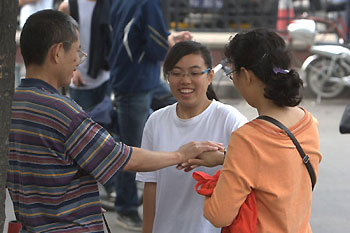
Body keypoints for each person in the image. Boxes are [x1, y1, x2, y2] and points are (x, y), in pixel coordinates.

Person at [6, 10, 222, 233]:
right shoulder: (62, 111)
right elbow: (121, 157)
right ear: (58, 52)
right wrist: (180, 155)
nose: (78, 61)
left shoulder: (13, 104)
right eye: (77, 51)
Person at [188, 29, 323, 233]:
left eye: (233, 74)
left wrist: (214, 186)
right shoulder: (309, 122)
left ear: (248, 76)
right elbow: (279, 168)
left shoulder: (247, 139)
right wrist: (227, 157)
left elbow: (218, 214)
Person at [136, 40, 247, 233]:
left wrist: (222, 158)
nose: (185, 81)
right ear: (167, 76)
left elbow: (255, 167)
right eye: (177, 73)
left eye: (195, 73)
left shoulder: (230, 120)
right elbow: (151, 185)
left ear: (210, 76)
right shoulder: (156, 121)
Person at [108, 0, 192, 230]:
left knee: (183, 108)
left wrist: (169, 38)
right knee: (133, 149)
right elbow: (157, 48)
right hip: (136, 81)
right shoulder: (149, 4)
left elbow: (139, 36)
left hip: (137, 77)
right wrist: (171, 44)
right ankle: (126, 208)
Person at [58, 0, 111, 111]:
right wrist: (73, 70)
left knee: (104, 124)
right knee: (81, 125)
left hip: (105, 77)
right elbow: (59, 44)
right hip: (79, 80)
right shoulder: (68, 6)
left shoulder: (109, 4)